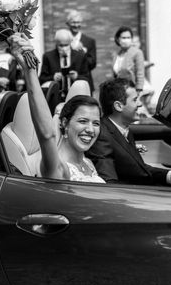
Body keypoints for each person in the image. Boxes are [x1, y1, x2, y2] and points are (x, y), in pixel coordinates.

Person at [11, 33, 104, 183]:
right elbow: (47, 135)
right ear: (64, 124)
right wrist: (30, 71)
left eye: (96, 123)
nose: (90, 129)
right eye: (82, 121)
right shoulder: (58, 169)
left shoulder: (88, 163)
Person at [87, 78, 171, 185]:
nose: (140, 104)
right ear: (118, 106)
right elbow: (110, 184)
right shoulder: (102, 137)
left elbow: (139, 171)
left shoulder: (123, 129)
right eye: (135, 100)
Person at [39, 29, 91, 94]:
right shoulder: (48, 56)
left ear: (70, 43)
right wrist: (53, 77)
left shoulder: (80, 56)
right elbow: (41, 79)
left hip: (75, 93)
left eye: (66, 45)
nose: (63, 48)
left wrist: (77, 77)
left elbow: (87, 78)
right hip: (56, 95)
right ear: (56, 44)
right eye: (61, 45)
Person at [66, 9, 97, 93]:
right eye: (73, 22)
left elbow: (92, 64)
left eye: (78, 22)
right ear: (68, 24)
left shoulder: (89, 41)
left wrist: (83, 53)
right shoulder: (63, 41)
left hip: (85, 83)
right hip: (67, 84)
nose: (76, 25)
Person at [111, 26, 145, 92]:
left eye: (128, 38)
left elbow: (140, 73)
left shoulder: (137, 52)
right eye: (124, 38)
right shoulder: (116, 54)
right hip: (118, 89)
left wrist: (139, 90)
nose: (126, 40)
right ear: (118, 39)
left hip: (132, 89)